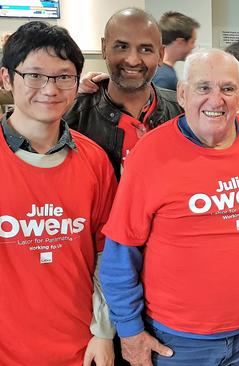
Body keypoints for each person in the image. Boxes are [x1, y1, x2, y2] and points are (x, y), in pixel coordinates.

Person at [99, 48, 239, 366]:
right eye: (204, 88)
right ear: (183, 94)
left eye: (228, 89)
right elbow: (120, 252)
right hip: (177, 343)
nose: (216, 100)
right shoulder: (151, 153)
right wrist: (130, 332)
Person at [0, 21, 117, 365]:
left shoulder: (94, 160)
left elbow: (106, 253)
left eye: (63, 76)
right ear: (6, 78)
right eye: (34, 75)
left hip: (82, 347)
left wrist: (103, 332)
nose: (49, 89)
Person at [64, 8, 183, 178]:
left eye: (146, 49)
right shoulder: (72, 118)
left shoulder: (183, 112)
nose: (132, 60)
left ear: (161, 54)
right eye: (121, 47)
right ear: (104, 48)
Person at [153, 11, 199, 91]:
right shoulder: (164, 77)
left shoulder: (161, 70)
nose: (193, 46)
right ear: (180, 42)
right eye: (192, 42)